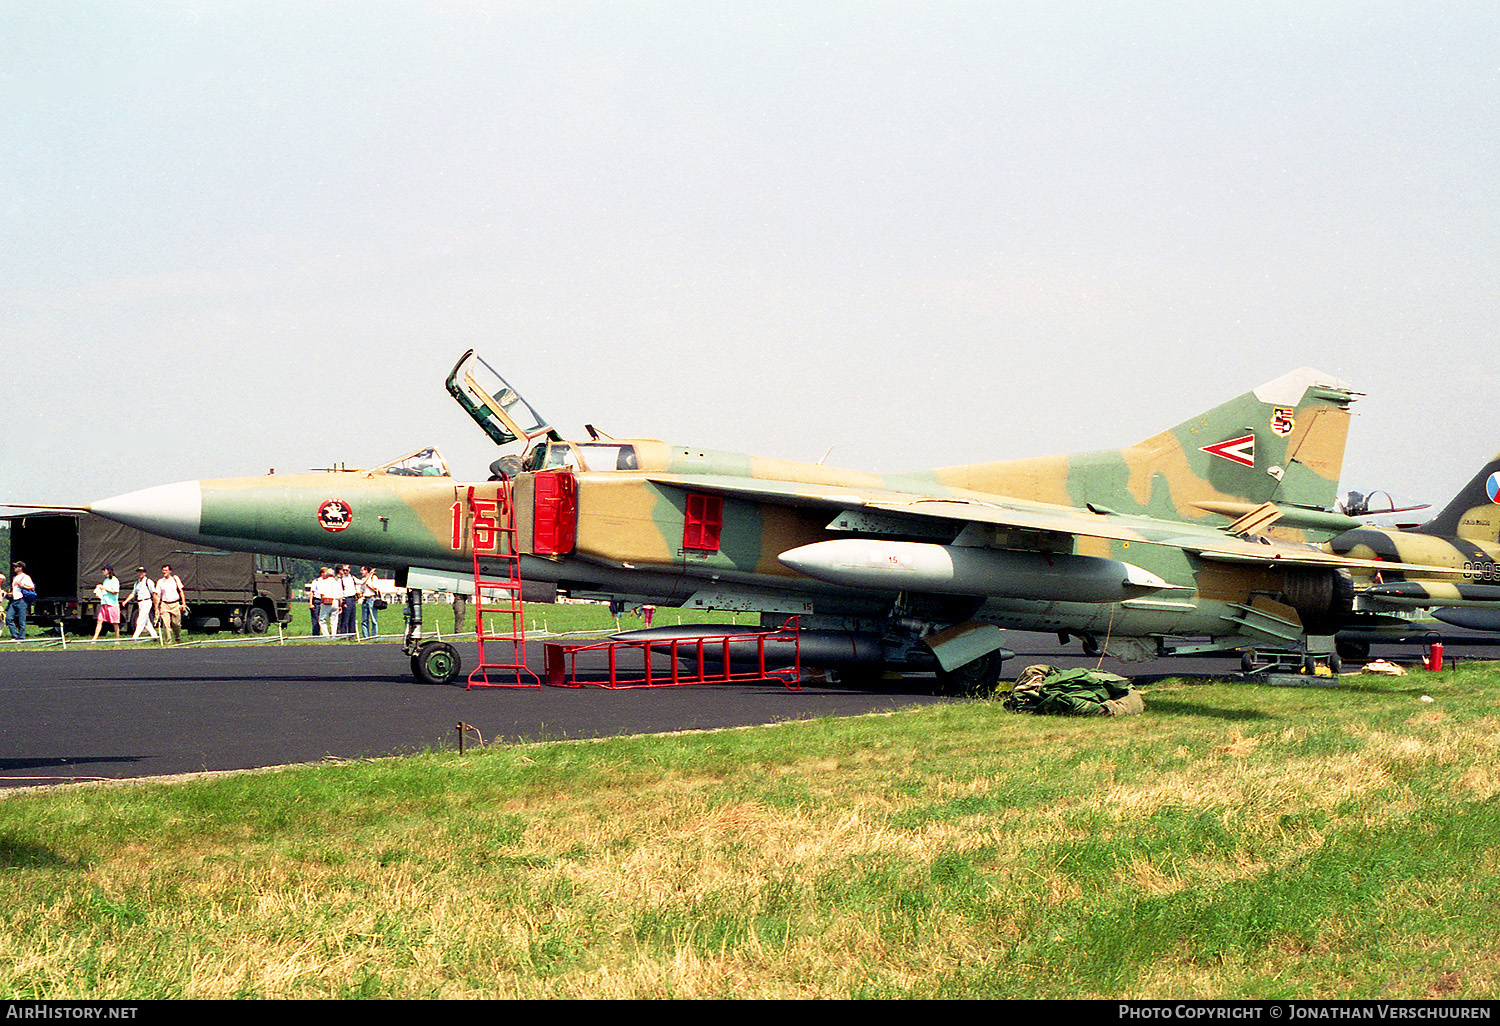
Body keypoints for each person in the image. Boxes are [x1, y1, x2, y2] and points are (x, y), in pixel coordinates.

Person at [154, 563, 187, 645]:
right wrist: (156, 608)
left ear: (170, 571)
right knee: (166, 625)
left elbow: (181, 592)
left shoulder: (175, 579)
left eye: (166, 570)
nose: (164, 572)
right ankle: (168, 642)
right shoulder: (160, 581)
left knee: (176, 624)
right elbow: (157, 595)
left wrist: (183, 604)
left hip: (175, 604)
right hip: (165, 604)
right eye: (163, 570)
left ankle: (177, 637)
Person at [90, 566, 121, 642]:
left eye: (104, 570)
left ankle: (117, 640)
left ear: (108, 571)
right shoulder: (105, 580)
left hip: (112, 604)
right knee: (99, 621)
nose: (103, 571)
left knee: (115, 623)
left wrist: (104, 588)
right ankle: (94, 638)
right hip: (104, 603)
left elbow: (115, 591)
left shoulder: (114, 580)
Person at [127, 566, 158, 641]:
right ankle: (155, 636)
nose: (140, 573)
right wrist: (126, 601)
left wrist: (156, 607)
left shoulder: (148, 582)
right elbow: (133, 593)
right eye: (139, 572)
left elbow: (154, 594)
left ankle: (135, 637)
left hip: (147, 601)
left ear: (145, 573)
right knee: (147, 622)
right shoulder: (137, 583)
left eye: (141, 572)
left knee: (140, 620)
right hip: (140, 602)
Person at [7, 561, 35, 640]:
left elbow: (32, 587)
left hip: (22, 600)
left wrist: (22, 585)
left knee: (21, 620)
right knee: (8, 618)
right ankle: (15, 636)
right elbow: (15, 590)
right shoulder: (15, 577)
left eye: (16, 567)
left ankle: (21, 637)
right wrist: (10, 594)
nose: (14, 568)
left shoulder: (25, 577)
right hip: (14, 600)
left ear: (20, 567)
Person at [314, 567, 339, 636]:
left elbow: (322, 594)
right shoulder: (337, 582)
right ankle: (333, 635)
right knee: (334, 620)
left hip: (327, 601)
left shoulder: (323, 582)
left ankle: (326, 635)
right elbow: (340, 594)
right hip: (336, 601)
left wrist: (322, 602)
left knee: (322, 619)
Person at [358, 566, 380, 638]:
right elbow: (361, 590)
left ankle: (374, 635)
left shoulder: (374, 578)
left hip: (371, 598)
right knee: (364, 620)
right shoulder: (363, 579)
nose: (361, 572)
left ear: (366, 571)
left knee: (374, 619)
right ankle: (366, 636)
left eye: (362, 570)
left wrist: (368, 585)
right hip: (365, 599)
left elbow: (376, 589)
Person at [337, 565, 358, 636]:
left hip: (353, 599)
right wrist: (342, 603)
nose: (345, 571)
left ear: (349, 569)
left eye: (346, 570)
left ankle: (352, 635)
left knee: (352, 618)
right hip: (346, 599)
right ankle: (343, 635)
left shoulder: (352, 578)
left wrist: (370, 574)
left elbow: (361, 582)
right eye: (344, 570)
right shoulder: (341, 579)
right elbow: (340, 592)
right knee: (345, 619)